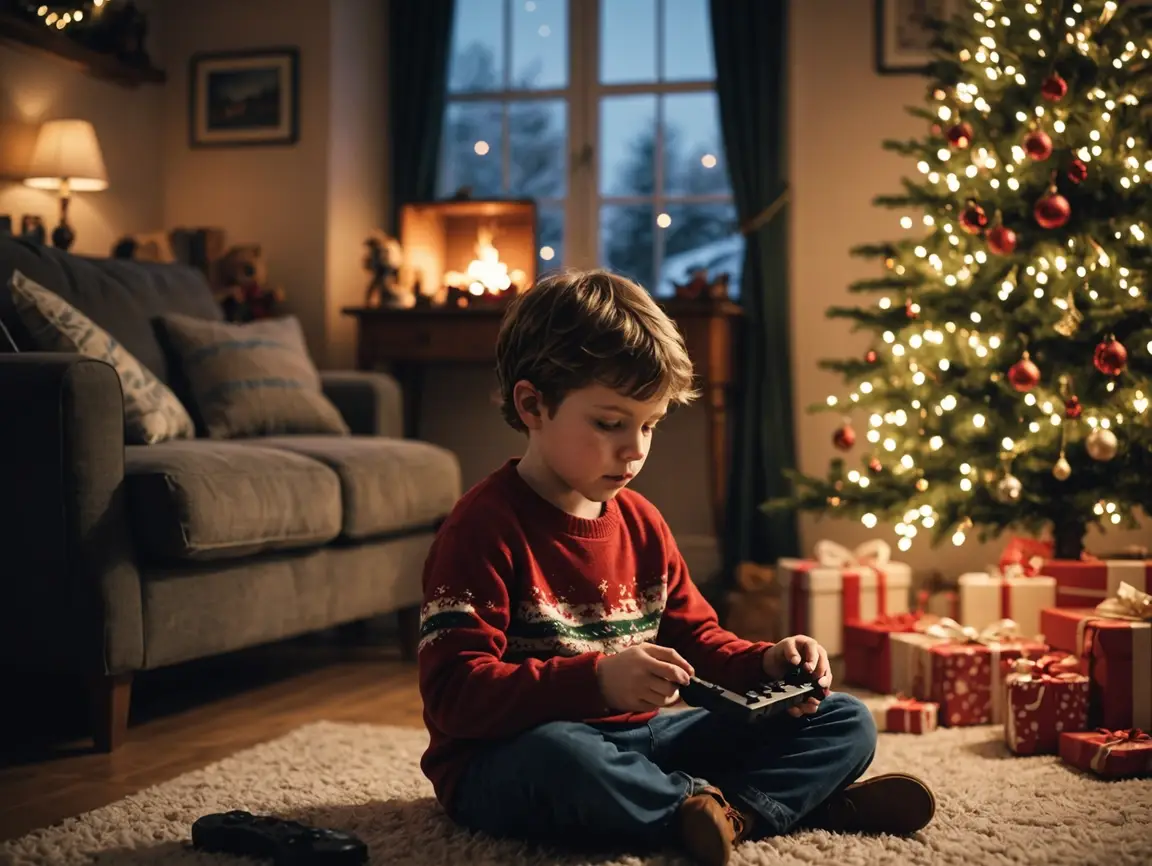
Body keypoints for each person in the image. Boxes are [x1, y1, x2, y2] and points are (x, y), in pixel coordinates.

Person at [416, 270, 935, 866]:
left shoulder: (642, 523)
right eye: (610, 423)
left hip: (644, 743)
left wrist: (766, 663)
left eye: (649, 425)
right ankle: (777, 807)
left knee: (845, 718)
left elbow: (698, 641)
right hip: (512, 755)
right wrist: (597, 681)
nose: (635, 449)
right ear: (533, 404)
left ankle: (724, 815)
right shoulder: (481, 527)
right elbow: (454, 695)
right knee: (562, 757)